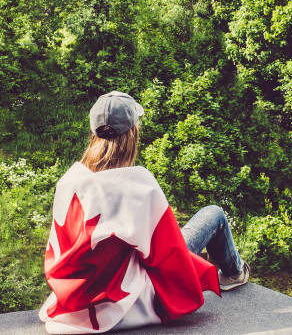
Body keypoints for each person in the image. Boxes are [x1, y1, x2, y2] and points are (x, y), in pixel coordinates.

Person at [39, 91, 249, 334]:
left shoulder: (70, 182)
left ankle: (233, 271)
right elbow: (169, 254)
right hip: (130, 298)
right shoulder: (139, 184)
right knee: (214, 214)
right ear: (133, 133)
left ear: (93, 133)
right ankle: (234, 273)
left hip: (78, 298)